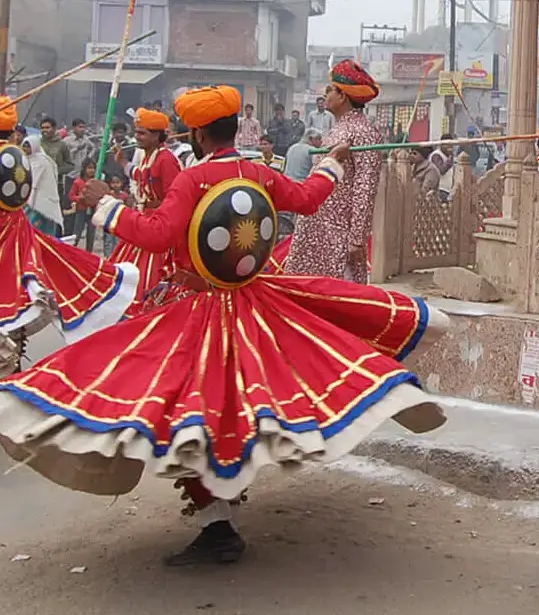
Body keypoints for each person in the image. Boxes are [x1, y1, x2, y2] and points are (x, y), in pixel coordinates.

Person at [2, 85, 447, 567]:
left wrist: (104, 204)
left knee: (189, 408)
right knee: (238, 403)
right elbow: (309, 198)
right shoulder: (258, 171)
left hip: (204, 308)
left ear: (196, 132)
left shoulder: (193, 179)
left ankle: (219, 524)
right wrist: (332, 163)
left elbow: (155, 234)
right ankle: (222, 509)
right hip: (253, 304)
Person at [0, 96, 139, 364]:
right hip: (17, 235)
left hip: (11, 235)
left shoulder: (15, 156)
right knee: (19, 294)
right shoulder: (17, 155)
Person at [285, 60, 383, 283]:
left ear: (343, 96)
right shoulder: (337, 130)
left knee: (339, 295)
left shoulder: (364, 132)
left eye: (330, 89)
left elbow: (365, 188)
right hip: (318, 227)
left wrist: (357, 239)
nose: (325, 94)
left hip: (339, 232)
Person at [107, 107, 185, 316]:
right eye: (137, 132)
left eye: (142, 133)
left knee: (148, 283)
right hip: (142, 222)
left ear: (157, 135)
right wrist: (122, 161)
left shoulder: (166, 159)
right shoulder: (148, 156)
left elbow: (174, 196)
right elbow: (138, 174)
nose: (137, 137)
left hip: (157, 228)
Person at [22, 135, 64, 237]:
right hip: (29, 201)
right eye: (24, 146)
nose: (26, 149)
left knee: (42, 233)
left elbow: (34, 184)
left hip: (42, 202)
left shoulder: (43, 162)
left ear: (34, 146)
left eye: (28, 146)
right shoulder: (24, 160)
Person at [36, 115, 74, 209]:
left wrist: (56, 171)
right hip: (39, 185)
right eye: (42, 128)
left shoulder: (62, 145)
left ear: (54, 128)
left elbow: (70, 165)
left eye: (47, 127)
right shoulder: (37, 143)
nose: (45, 130)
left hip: (56, 185)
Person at [66, 162, 99, 252]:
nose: (91, 170)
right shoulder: (78, 182)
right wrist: (80, 198)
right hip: (81, 210)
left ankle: (89, 254)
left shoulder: (96, 182)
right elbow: (71, 196)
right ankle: (72, 252)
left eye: (93, 168)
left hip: (92, 211)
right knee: (77, 233)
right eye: (89, 168)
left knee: (91, 235)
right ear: (84, 169)